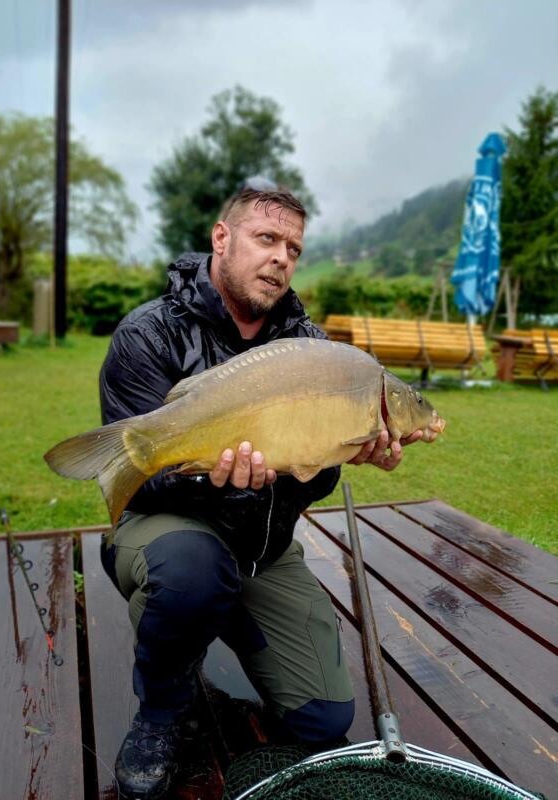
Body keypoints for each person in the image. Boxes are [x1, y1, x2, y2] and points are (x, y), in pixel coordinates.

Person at [99, 179, 425, 799]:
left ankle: (217, 615)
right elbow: (145, 487)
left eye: (293, 249)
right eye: (267, 238)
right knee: (192, 571)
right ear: (222, 238)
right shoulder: (147, 334)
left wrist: (345, 453)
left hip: (263, 550)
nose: (281, 258)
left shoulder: (314, 349)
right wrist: (211, 479)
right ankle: (161, 710)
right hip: (170, 532)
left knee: (324, 719)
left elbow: (313, 479)